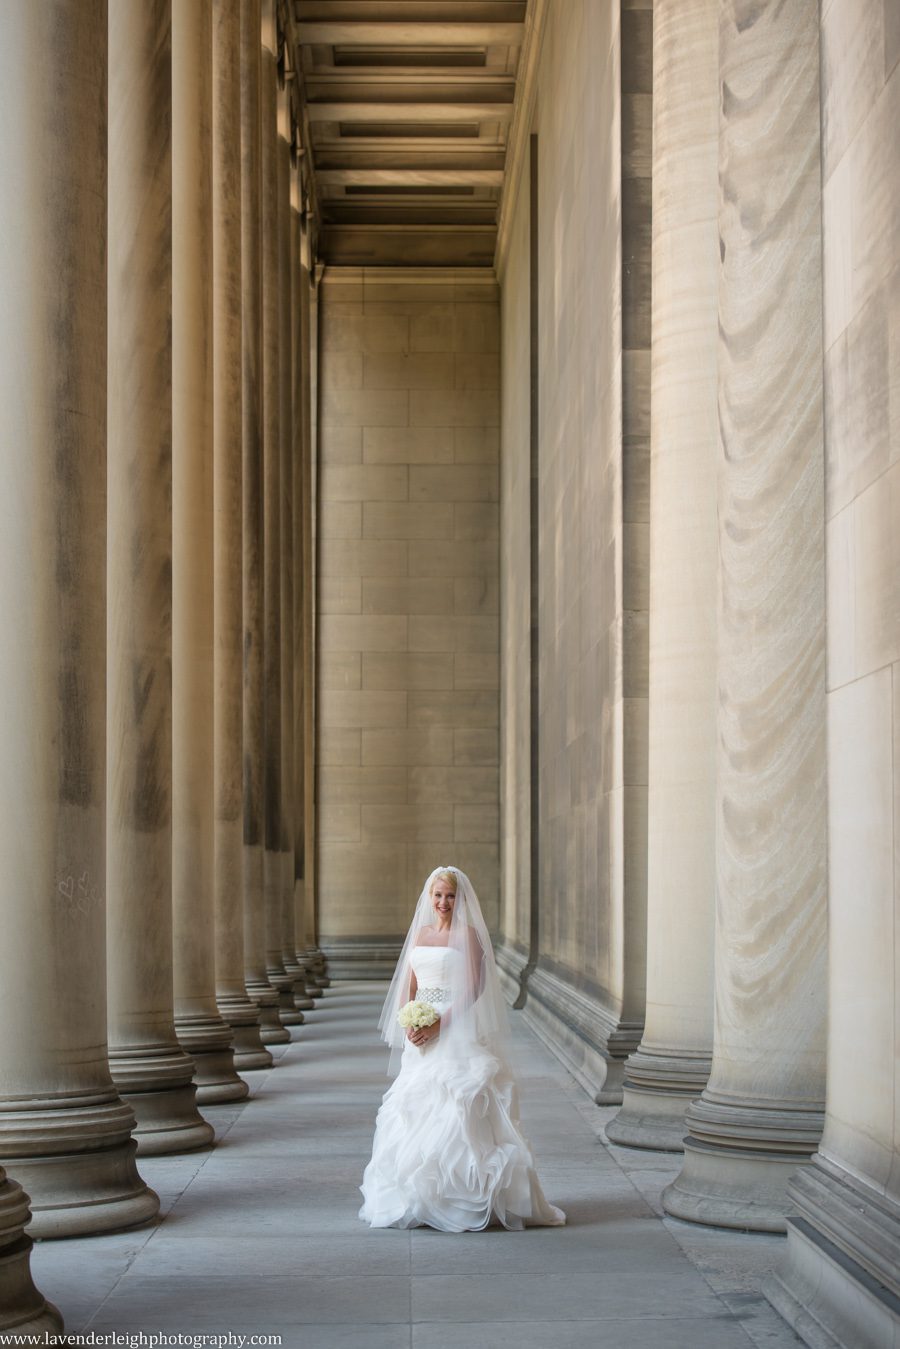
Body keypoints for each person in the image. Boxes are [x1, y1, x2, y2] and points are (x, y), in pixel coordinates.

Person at [359, 865, 565, 1232]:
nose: (442, 902)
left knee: (459, 1103)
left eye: (450, 896)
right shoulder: (421, 933)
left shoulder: (468, 936)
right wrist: (410, 1021)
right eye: (437, 895)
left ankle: (464, 1195)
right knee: (415, 1106)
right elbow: (411, 983)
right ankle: (418, 1196)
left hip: (455, 1030)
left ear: (460, 899)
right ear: (428, 897)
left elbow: (474, 988)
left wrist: (440, 1023)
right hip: (420, 1030)